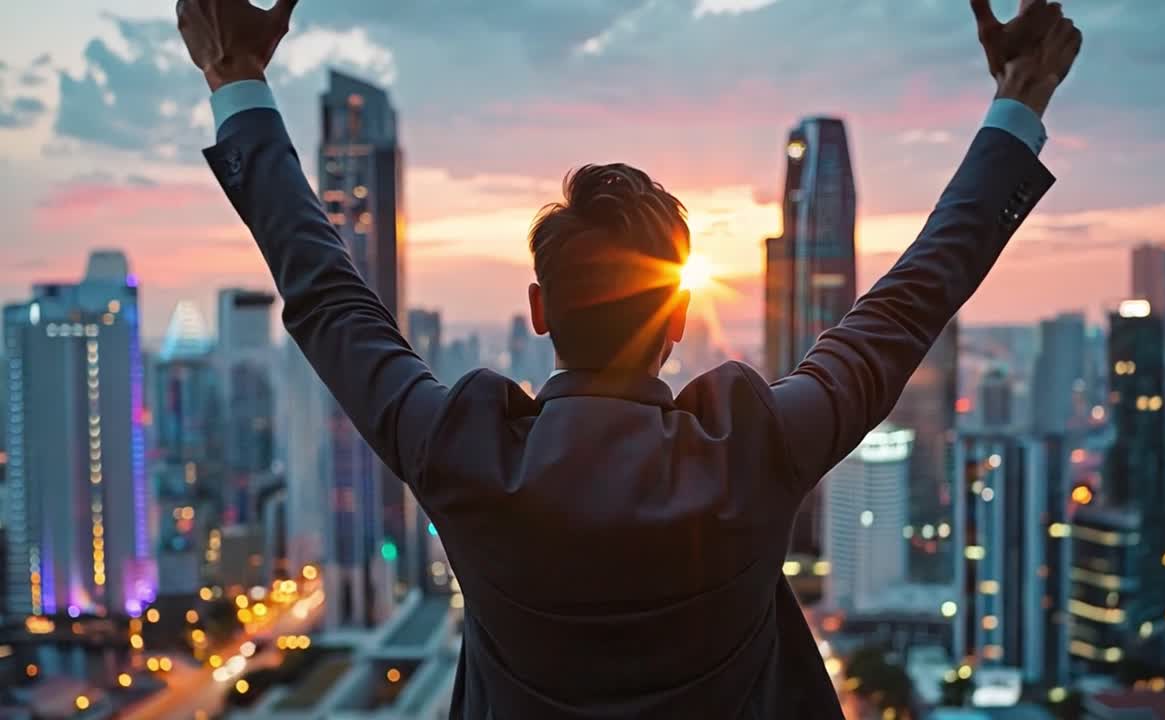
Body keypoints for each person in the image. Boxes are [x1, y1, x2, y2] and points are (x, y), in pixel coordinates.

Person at [176, 0, 1081, 716]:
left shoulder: (463, 454)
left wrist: (237, 78)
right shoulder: (750, 452)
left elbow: (329, 295)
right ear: (678, 317)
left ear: (538, 311)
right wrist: (1019, 100)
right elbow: (911, 301)